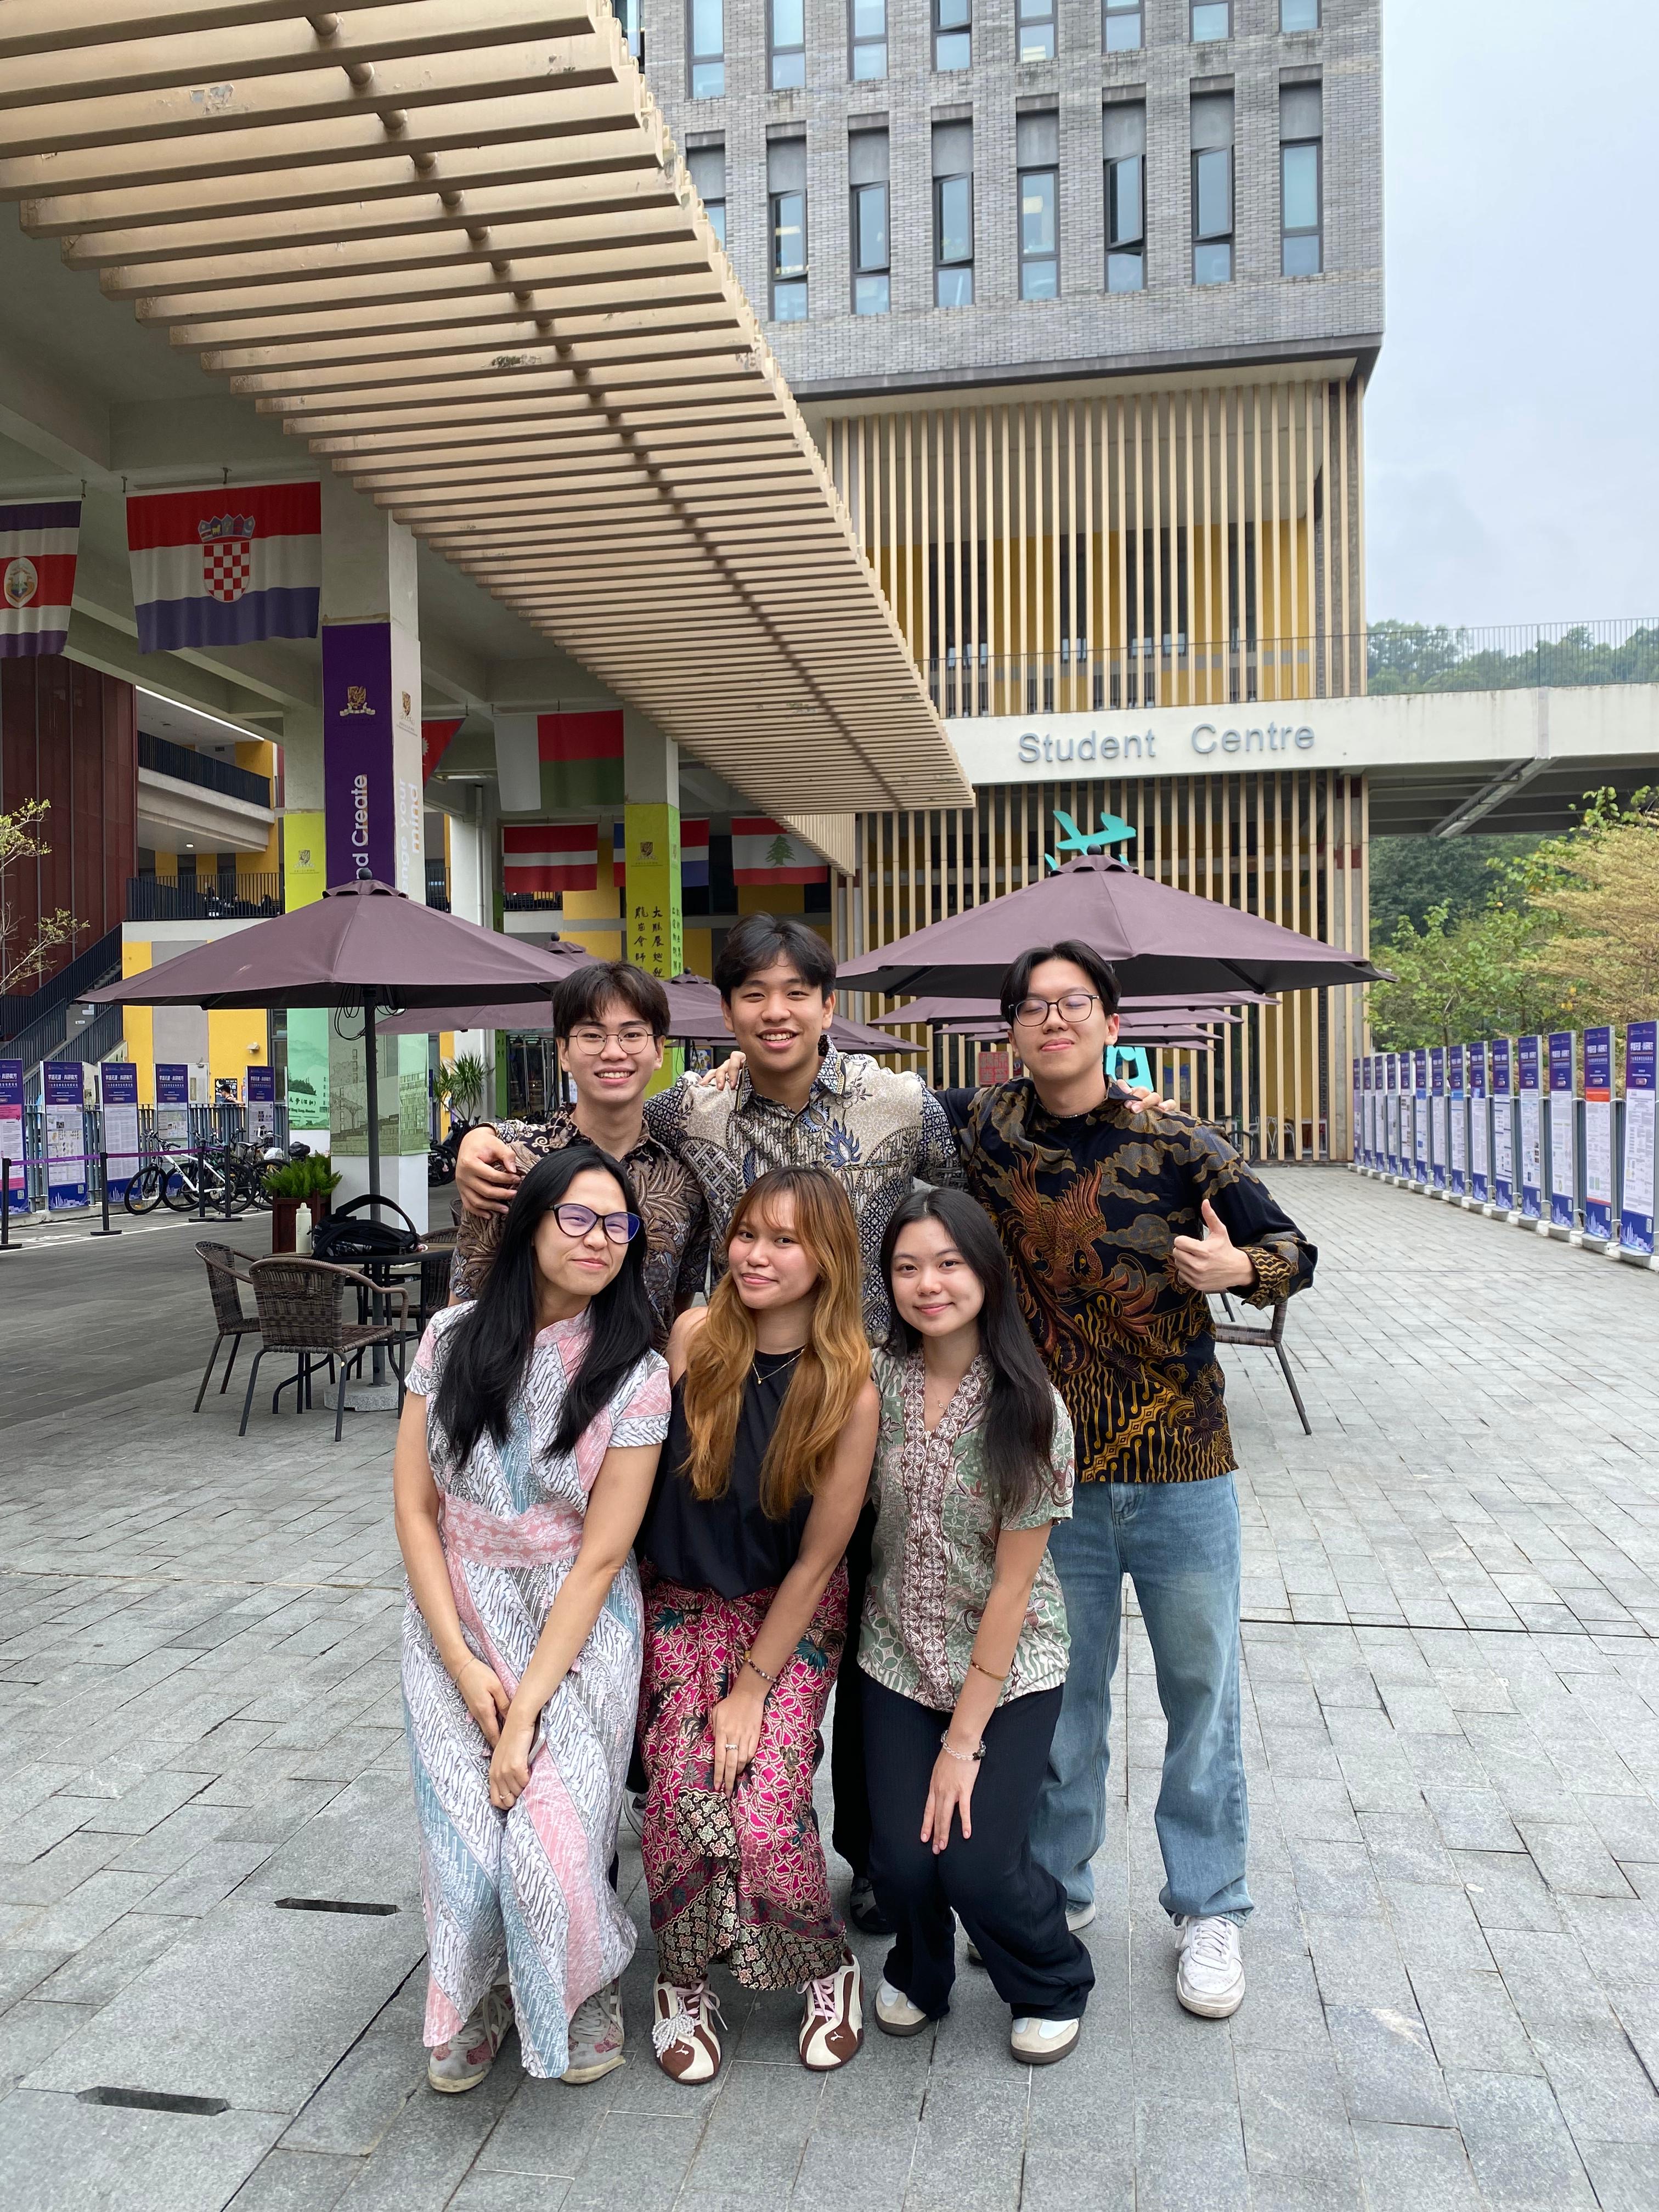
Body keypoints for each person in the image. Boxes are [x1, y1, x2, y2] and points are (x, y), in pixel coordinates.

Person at [455, 915, 963, 1934]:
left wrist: (1123, 1095)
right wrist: (463, 1139)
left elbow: (966, 1194)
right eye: (752, 993)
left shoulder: (903, 1104)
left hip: (854, 1407)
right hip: (684, 1414)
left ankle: (868, 1853)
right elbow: (585, 1122)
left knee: (866, 1631)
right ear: (725, 1013)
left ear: (829, 1003)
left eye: (795, 991)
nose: (775, 1011)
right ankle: (624, 1830)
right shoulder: (689, 1109)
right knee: (639, 1622)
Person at [936, 941, 1317, 2021]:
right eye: (1033, 1005)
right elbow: (857, 1103)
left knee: (1201, 1696)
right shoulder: (980, 1127)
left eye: (1075, 1003)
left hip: (1181, 1468)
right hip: (1049, 1477)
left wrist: (1241, 1270)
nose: (1053, 1019)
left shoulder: (1182, 1143)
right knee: (1061, 1699)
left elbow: (1296, 1251)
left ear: (1111, 1023)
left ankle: (1209, 1905)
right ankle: (1055, 1887)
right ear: (1010, 1028)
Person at [394, 1145, 671, 2091]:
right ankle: (474, 1990)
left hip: (577, 1630)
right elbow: (416, 1510)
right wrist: (461, 1662)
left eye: (617, 1225)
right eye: (577, 1218)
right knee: (470, 1854)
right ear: (530, 1225)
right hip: (455, 1620)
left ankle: (583, 1981)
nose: (599, 1239)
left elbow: (601, 1557)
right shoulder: (449, 1340)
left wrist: (522, 1717)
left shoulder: (637, 1375)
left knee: (549, 1853)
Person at [633, 1166, 879, 2081]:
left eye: (784, 1241)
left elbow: (819, 1559)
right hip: (677, 1605)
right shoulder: (694, 1338)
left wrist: (750, 1689)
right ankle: (682, 1978)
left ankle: (825, 1963)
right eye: (747, 1234)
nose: (756, 1255)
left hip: (788, 1614)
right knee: (681, 1797)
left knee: (766, 1809)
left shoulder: (848, 1387)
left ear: (826, 1260)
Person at [861, 1189, 1094, 2066]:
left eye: (949, 1264)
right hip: (894, 1651)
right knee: (900, 1861)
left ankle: (1051, 1977)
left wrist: (962, 1744)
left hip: (1007, 1664)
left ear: (987, 1275)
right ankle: (921, 1971)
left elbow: (1013, 1587)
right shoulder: (876, 1380)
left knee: (976, 1863)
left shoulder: (1031, 1409)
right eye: (907, 1268)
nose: (929, 1285)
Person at [449, 961, 709, 1348]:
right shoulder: (511, 1166)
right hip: (516, 1377)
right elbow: (463, 1305)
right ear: (564, 1051)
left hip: (641, 1382)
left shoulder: (685, 1181)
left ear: (658, 1050)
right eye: (592, 1035)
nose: (613, 1052)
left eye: (632, 1034)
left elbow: (673, 1309)